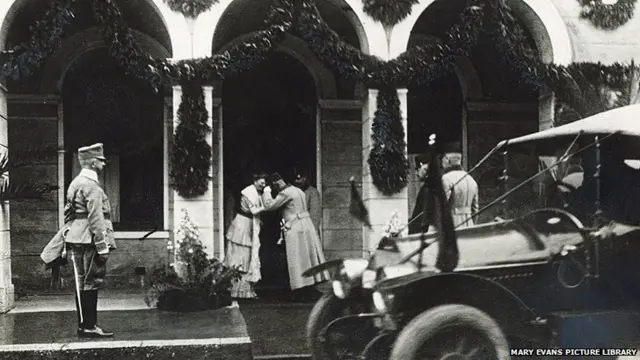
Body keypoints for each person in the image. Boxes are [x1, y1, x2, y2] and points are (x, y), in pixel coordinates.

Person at [65, 143, 116, 338]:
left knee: (80, 282)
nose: (104, 164)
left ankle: (83, 325)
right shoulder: (92, 186)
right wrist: (102, 245)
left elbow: (68, 212)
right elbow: (96, 218)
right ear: (93, 163)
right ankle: (90, 326)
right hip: (91, 239)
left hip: (76, 236)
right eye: (101, 160)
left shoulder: (75, 183)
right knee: (92, 281)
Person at [262, 172, 329, 301]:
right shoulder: (298, 190)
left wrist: (266, 192)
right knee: (307, 258)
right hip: (306, 225)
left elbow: (269, 206)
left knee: (297, 258)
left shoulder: (286, 193)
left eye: (273, 186)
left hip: (295, 227)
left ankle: (300, 289)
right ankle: (308, 287)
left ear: (276, 183)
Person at [223, 172, 268, 299]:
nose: (264, 185)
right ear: (255, 180)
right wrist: (267, 205)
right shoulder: (248, 192)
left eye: (265, 183)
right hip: (242, 226)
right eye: (262, 182)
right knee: (240, 258)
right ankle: (237, 291)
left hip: (248, 225)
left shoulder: (255, 193)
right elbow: (254, 210)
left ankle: (245, 291)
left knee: (246, 258)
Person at [441, 149, 479, 228]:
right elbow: (475, 209)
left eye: (443, 159)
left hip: (452, 225)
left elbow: (442, 206)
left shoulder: (446, 179)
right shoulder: (471, 179)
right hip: (469, 224)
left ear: (447, 160)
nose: (442, 163)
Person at [409, 155, 434, 234]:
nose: (416, 173)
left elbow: (423, 214)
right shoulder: (429, 186)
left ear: (425, 169)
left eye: (417, 169)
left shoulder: (427, 188)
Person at [293, 172, 322, 236]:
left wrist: (313, 231)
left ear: (305, 179)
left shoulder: (312, 192)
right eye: (296, 179)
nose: (297, 181)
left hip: (309, 229)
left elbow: (315, 213)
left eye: (299, 179)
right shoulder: (295, 192)